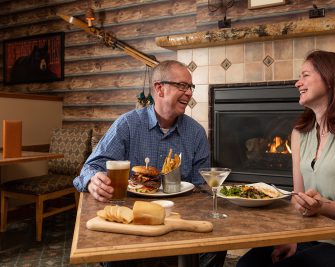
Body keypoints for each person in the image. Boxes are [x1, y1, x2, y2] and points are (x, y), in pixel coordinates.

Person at [237, 50, 335, 267]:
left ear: (331, 79)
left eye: (305, 75)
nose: (297, 83)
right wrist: (292, 238)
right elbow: (298, 198)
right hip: (316, 235)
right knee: (248, 264)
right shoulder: (300, 133)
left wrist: (322, 207)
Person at [73, 60, 226, 267]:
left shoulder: (196, 133)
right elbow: (92, 166)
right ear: (159, 88)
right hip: (134, 221)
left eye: (190, 87)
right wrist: (93, 180)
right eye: (182, 86)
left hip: (178, 220)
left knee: (217, 246)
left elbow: (203, 188)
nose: (189, 93)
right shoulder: (127, 124)